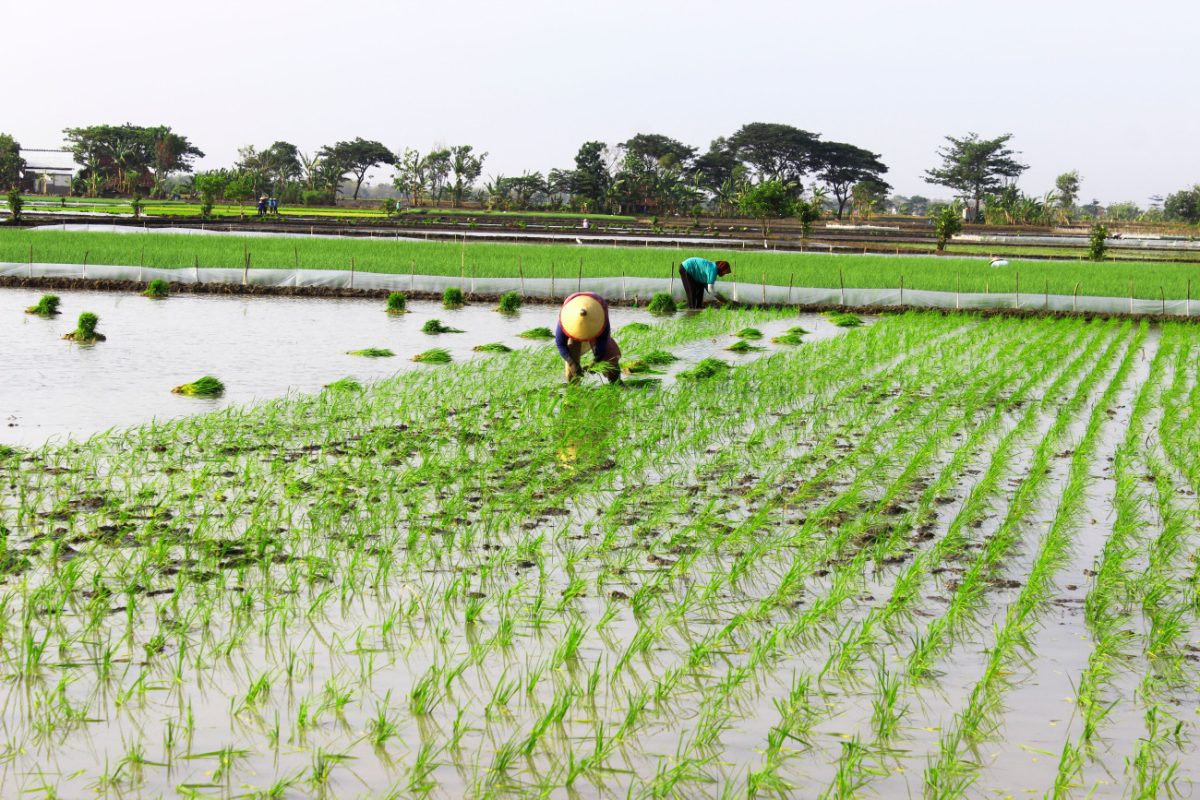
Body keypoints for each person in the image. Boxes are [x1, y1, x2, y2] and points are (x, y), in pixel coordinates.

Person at [555, 291, 622, 384]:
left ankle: (616, 381)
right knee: (572, 367)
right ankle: (574, 385)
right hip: (574, 335)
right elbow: (560, 344)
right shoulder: (566, 319)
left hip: (595, 331)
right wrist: (572, 363)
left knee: (610, 356)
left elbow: (603, 341)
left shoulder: (600, 314)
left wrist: (595, 361)